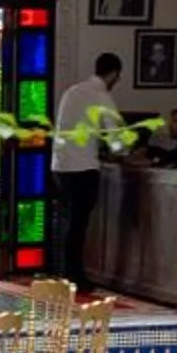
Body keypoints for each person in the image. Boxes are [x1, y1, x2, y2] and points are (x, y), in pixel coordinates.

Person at [51, 52, 125, 285]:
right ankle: (75, 277)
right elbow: (115, 139)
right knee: (79, 224)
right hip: (83, 168)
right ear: (113, 74)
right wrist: (126, 153)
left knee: (67, 221)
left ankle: (62, 271)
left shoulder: (72, 92)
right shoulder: (101, 96)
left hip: (60, 166)